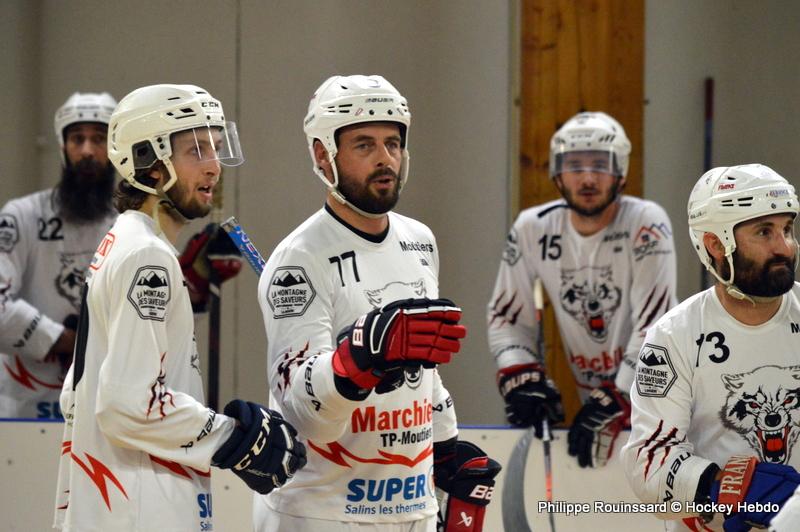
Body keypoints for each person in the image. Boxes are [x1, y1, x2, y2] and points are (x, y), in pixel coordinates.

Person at [53, 84, 306, 531]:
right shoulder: (146, 256)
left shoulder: (121, 242)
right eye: (196, 150)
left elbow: (75, 394)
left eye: (215, 146)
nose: (213, 166)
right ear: (149, 164)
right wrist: (233, 438)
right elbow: (125, 404)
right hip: (138, 509)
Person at [254, 74, 500, 532]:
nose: (385, 158)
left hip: (412, 505)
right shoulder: (298, 260)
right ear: (323, 155)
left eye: (393, 142)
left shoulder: (420, 240)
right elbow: (300, 412)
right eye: (364, 144)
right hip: (321, 513)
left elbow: (427, 371)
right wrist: (358, 360)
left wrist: (446, 445)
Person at [488, 111, 678, 468]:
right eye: (574, 165)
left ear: (620, 172)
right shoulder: (533, 228)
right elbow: (506, 315)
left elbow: (657, 324)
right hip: (595, 398)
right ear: (557, 174)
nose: (588, 178)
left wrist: (619, 393)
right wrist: (521, 372)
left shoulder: (646, 221)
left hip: (662, 394)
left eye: (600, 165)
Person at [622, 164, 800, 531]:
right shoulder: (672, 337)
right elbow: (649, 460)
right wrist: (730, 487)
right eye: (765, 232)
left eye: (787, 229)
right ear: (716, 244)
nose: (784, 247)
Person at [0, 92, 118, 419]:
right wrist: (60, 339)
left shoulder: (133, 223)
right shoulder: (21, 216)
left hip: (104, 411)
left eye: (99, 139)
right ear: (63, 146)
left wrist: (196, 282)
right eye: (77, 139)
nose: (87, 151)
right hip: (21, 409)